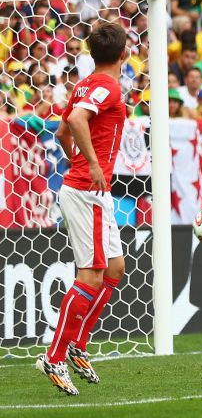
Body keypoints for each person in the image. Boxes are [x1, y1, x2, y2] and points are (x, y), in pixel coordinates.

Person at [38, 23, 129, 396]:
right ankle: (54, 355)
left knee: (114, 269)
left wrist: (78, 160)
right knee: (90, 276)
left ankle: (77, 343)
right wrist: (90, 165)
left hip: (91, 190)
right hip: (87, 190)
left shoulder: (85, 84)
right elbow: (75, 122)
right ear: (125, 55)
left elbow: (62, 132)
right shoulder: (108, 86)